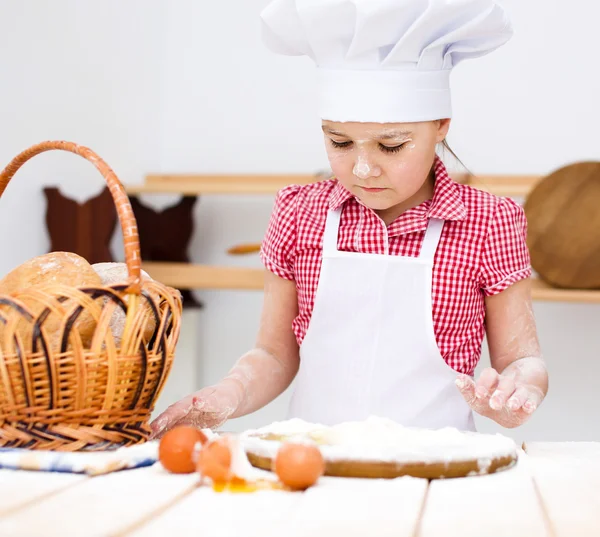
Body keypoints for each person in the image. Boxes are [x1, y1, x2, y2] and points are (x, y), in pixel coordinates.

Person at [150, 0, 548, 438]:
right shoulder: (299, 212)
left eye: (391, 145)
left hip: (435, 475)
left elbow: (521, 361)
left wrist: (517, 389)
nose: (362, 168)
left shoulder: (489, 221)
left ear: (441, 124)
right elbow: (275, 355)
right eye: (340, 141)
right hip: (313, 466)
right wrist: (228, 393)